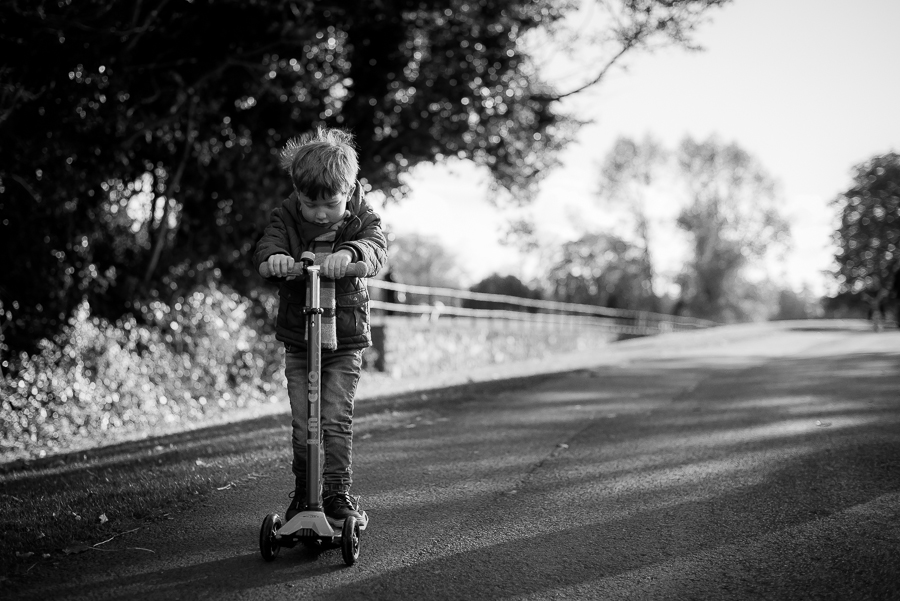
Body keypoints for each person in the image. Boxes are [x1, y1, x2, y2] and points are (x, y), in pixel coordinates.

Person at [254, 126, 387, 524]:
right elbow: (268, 245)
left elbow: (376, 248)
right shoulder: (287, 216)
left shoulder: (362, 217)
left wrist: (351, 253)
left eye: (329, 204)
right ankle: (304, 493)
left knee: (333, 419)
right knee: (302, 424)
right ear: (297, 191)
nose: (318, 213)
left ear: (348, 190)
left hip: (343, 340)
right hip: (300, 339)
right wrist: (276, 258)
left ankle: (336, 495)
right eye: (309, 204)